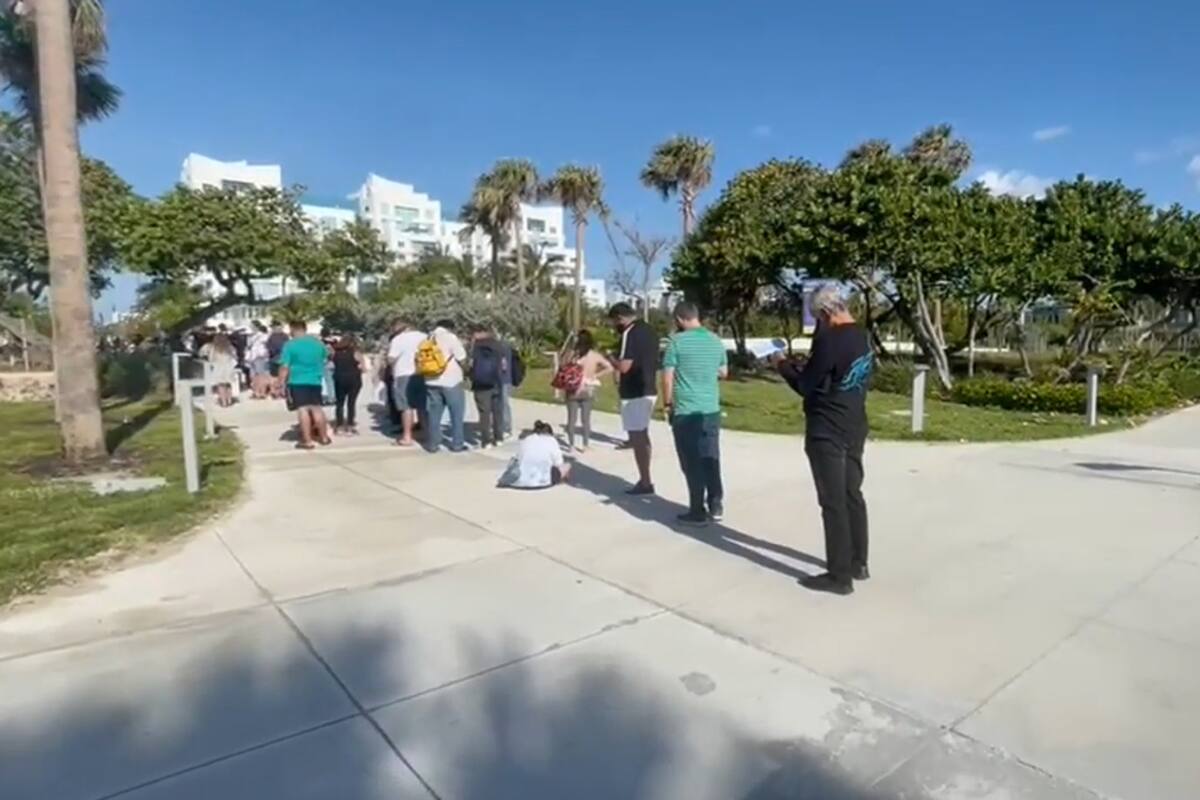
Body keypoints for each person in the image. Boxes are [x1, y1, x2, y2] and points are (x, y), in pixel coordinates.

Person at [773, 284, 873, 596]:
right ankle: (859, 562)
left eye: (819, 318)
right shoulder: (862, 336)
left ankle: (839, 576)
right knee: (852, 493)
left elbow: (805, 385)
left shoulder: (830, 339)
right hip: (854, 422)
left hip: (826, 427)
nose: (819, 323)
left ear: (827, 313)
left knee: (833, 502)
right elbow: (837, 373)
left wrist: (782, 365)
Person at [662, 302, 728, 526]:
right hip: (710, 408)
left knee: (691, 462)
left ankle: (697, 510)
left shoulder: (676, 343)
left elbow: (667, 377)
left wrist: (668, 403)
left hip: (687, 410)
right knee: (710, 457)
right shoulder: (714, 340)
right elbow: (723, 372)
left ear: (680, 319)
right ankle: (716, 502)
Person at [607, 302, 659, 494]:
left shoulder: (629, 333)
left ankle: (645, 481)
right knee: (643, 434)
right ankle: (646, 478)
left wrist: (611, 357)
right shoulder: (650, 330)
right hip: (649, 386)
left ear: (620, 318)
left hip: (634, 391)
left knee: (637, 438)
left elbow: (624, 367)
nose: (614, 326)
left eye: (614, 322)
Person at [279, 320, 332, 450]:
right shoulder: (317, 344)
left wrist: (281, 382)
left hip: (297, 380)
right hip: (315, 380)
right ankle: (324, 437)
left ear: (294, 329)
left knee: (302, 409)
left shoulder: (290, 345)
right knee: (316, 408)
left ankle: (307, 441)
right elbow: (327, 356)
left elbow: (285, 366)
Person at [423, 319, 469, 453]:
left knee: (434, 414)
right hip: (451, 380)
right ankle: (457, 444)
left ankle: (432, 444)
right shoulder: (450, 338)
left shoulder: (428, 338)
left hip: (431, 380)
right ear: (450, 327)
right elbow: (462, 358)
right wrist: (467, 372)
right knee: (456, 414)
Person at [564, 329, 613, 452]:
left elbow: (563, 367)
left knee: (571, 419)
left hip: (573, 388)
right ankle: (585, 445)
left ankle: (571, 445)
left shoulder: (572, 354)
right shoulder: (594, 355)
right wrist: (596, 375)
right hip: (588, 387)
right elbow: (610, 367)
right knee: (586, 419)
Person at [386, 318, 427, 447]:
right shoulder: (425, 337)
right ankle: (427, 434)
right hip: (422, 373)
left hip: (403, 374)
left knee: (406, 407)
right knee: (422, 406)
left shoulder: (398, 339)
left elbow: (391, 359)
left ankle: (407, 437)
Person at [497, 420, 572, 489]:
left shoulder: (526, 439)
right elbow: (558, 463)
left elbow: (518, 459)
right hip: (544, 481)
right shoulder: (552, 440)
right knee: (567, 466)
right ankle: (562, 480)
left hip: (521, 479)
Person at [469, 326, 510, 449]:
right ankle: (498, 437)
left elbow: (470, 364)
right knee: (497, 410)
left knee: (484, 413)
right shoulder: (498, 345)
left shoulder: (474, 346)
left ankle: (486, 440)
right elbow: (504, 365)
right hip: (496, 382)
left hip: (480, 384)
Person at [331, 334, 367, 435]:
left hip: (339, 379)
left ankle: (339, 426)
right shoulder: (356, 353)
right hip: (353, 379)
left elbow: (331, 363)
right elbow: (364, 369)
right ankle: (350, 425)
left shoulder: (335, 353)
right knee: (351, 403)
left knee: (339, 403)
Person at [199, 332, 239, 408]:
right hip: (228, 367)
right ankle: (229, 400)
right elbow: (235, 357)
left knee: (221, 385)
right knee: (228, 384)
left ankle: (224, 402)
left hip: (218, 367)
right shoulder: (230, 347)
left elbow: (201, 353)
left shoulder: (212, 347)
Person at [265, 320, 290, 398]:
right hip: (284, 359)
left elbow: (269, 349)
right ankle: (283, 392)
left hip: (274, 359)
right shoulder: (285, 336)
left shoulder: (271, 337)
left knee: (274, 377)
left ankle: (275, 392)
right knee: (283, 377)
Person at [247, 321, 271, 399]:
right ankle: (256, 391)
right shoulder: (251, 336)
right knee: (253, 376)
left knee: (261, 375)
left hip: (260, 357)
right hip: (252, 357)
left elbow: (266, 345)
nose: (251, 328)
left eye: (252, 326)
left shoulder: (263, 336)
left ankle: (262, 392)